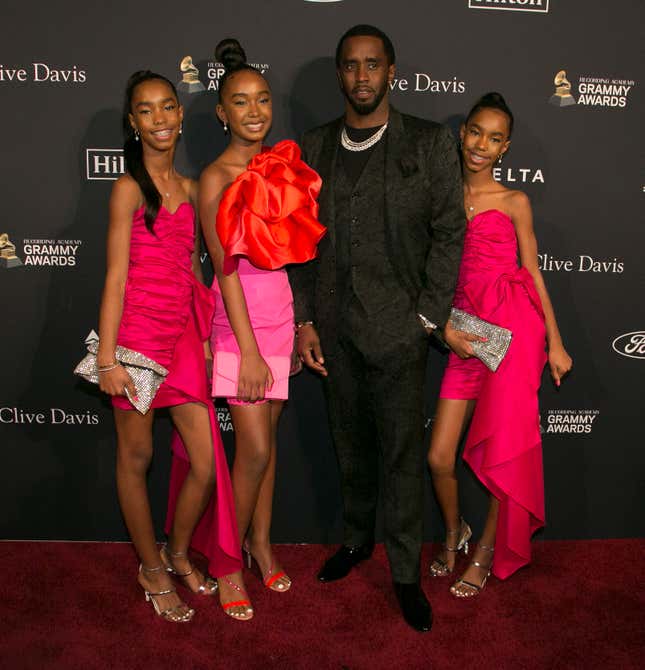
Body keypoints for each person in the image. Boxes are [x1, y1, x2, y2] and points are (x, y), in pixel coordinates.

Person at [289, 25, 466, 632]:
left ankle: (406, 574)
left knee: (400, 454)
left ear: (392, 71)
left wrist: (427, 317)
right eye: (351, 66)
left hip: (401, 330)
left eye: (373, 65)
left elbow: (450, 232)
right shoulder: (312, 146)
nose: (362, 77)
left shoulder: (429, 142)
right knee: (350, 446)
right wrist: (305, 318)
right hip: (334, 328)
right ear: (339, 74)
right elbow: (299, 244)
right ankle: (357, 540)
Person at [96, 71, 241, 622]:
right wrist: (108, 359)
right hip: (134, 338)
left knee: (205, 463)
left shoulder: (190, 187)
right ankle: (151, 567)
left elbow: (191, 269)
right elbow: (115, 277)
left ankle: (176, 551)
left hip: (182, 338)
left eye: (167, 108)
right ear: (133, 124)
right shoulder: (128, 188)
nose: (159, 119)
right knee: (138, 457)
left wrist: (204, 341)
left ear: (181, 115)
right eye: (146, 111)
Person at [427, 92, 573, 597]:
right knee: (439, 458)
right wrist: (443, 327)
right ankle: (455, 532)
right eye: (475, 133)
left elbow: (532, 273)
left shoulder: (515, 202)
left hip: (513, 334)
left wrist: (555, 342)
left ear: (505, 146)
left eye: (494, 138)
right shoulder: (439, 197)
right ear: (461, 133)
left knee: (503, 452)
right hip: (465, 337)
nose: (481, 145)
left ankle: (484, 552)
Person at [198, 39, 325, 618]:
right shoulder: (214, 178)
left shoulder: (281, 166)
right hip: (240, 325)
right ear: (221, 112)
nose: (254, 111)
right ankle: (226, 562)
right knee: (250, 449)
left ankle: (261, 545)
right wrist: (247, 350)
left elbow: (295, 257)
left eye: (263, 100)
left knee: (267, 449)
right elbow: (224, 270)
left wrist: (300, 325)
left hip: (278, 315)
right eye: (240, 102)